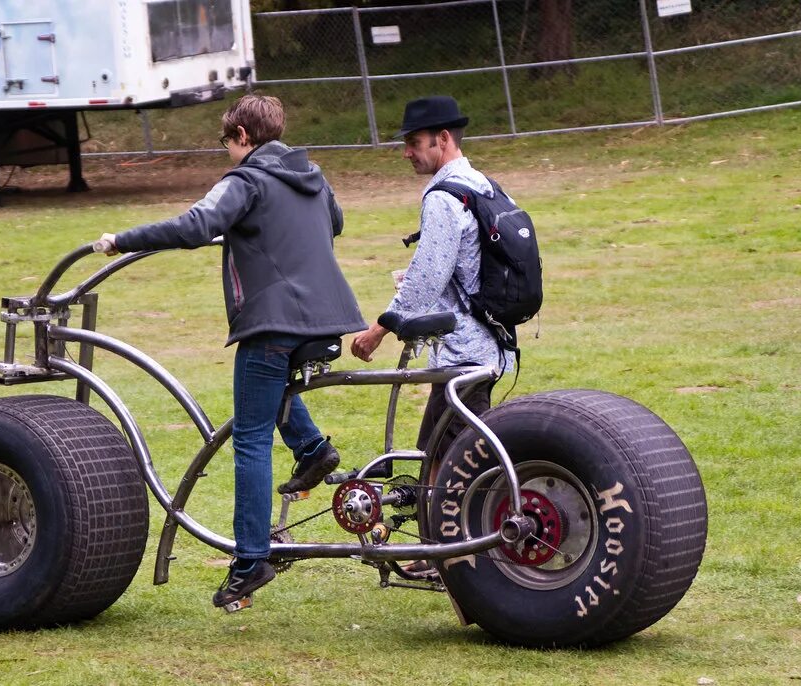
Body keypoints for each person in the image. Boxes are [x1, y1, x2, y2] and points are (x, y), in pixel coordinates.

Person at [96, 94, 366, 608]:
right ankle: (311, 448)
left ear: (242, 136)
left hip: (272, 322)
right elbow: (334, 223)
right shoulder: (312, 175)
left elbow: (197, 225)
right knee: (272, 397)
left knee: (250, 440)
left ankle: (249, 561)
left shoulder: (245, 181)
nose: (227, 153)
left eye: (227, 143)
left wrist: (123, 239)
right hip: (323, 316)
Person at [350, 96, 517, 577]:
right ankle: (457, 549)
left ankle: (444, 555)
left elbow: (430, 275)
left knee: (445, 461)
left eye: (414, 142)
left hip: (463, 352)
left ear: (442, 140)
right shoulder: (482, 184)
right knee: (459, 454)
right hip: (489, 344)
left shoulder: (445, 196)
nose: (407, 152)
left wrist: (377, 329)